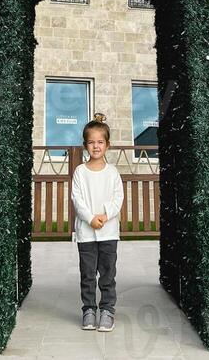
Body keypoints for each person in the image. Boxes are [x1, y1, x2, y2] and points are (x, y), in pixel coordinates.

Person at [70, 112, 124, 332]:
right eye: (91, 142)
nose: (96, 146)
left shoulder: (112, 172)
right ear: (85, 145)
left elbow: (117, 198)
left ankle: (108, 310)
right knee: (88, 274)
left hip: (109, 232)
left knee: (108, 274)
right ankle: (89, 310)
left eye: (100, 142)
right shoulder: (80, 172)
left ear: (107, 145)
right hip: (86, 233)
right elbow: (77, 199)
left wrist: (104, 215)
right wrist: (90, 218)